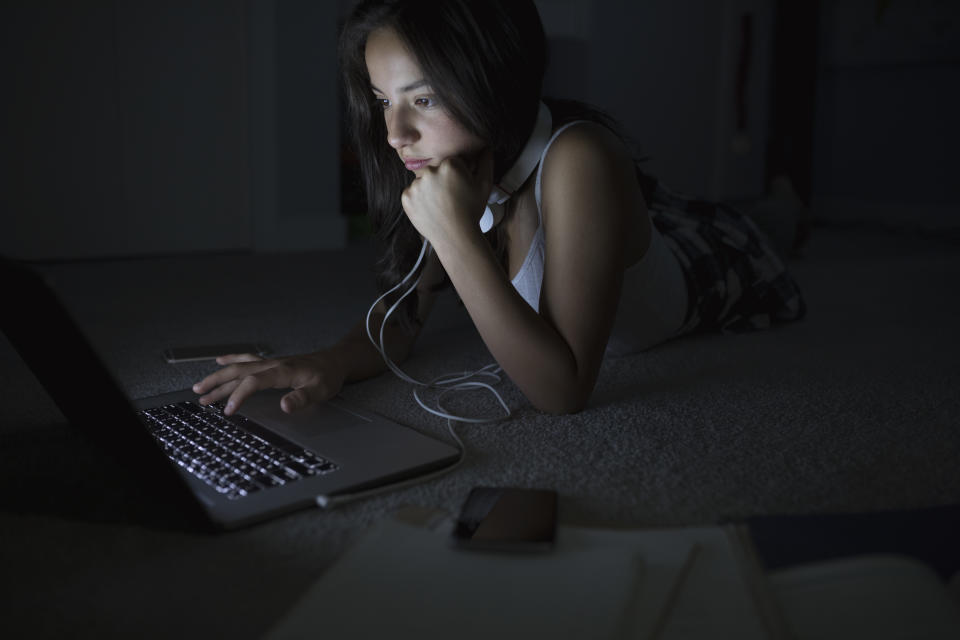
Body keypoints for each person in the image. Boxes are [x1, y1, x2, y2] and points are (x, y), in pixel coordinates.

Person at [193, 0, 804, 417]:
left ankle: (784, 202)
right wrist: (328, 362)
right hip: (640, 222)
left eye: (424, 98)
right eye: (383, 101)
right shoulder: (444, 166)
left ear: (493, 82)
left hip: (708, 258)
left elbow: (561, 390)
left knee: (767, 227)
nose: (395, 133)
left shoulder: (578, 158)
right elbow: (401, 324)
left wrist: (455, 237)